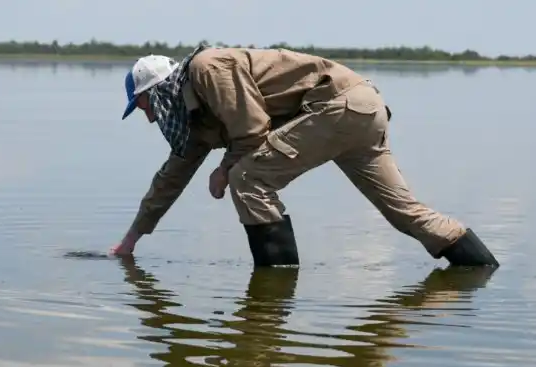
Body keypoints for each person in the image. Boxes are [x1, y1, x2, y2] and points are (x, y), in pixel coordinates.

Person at [109, 44, 499, 269]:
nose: (147, 116)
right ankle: (483, 271)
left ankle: (274, 287)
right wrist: (130, 241)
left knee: (248, 179)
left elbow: (252, 129)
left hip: (338, 105)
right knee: (405, 213)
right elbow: (172, 175)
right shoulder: (195, 116)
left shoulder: (206, 68)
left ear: (156, 91)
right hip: (361, 111)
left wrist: (224, 169)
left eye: (142, 105)